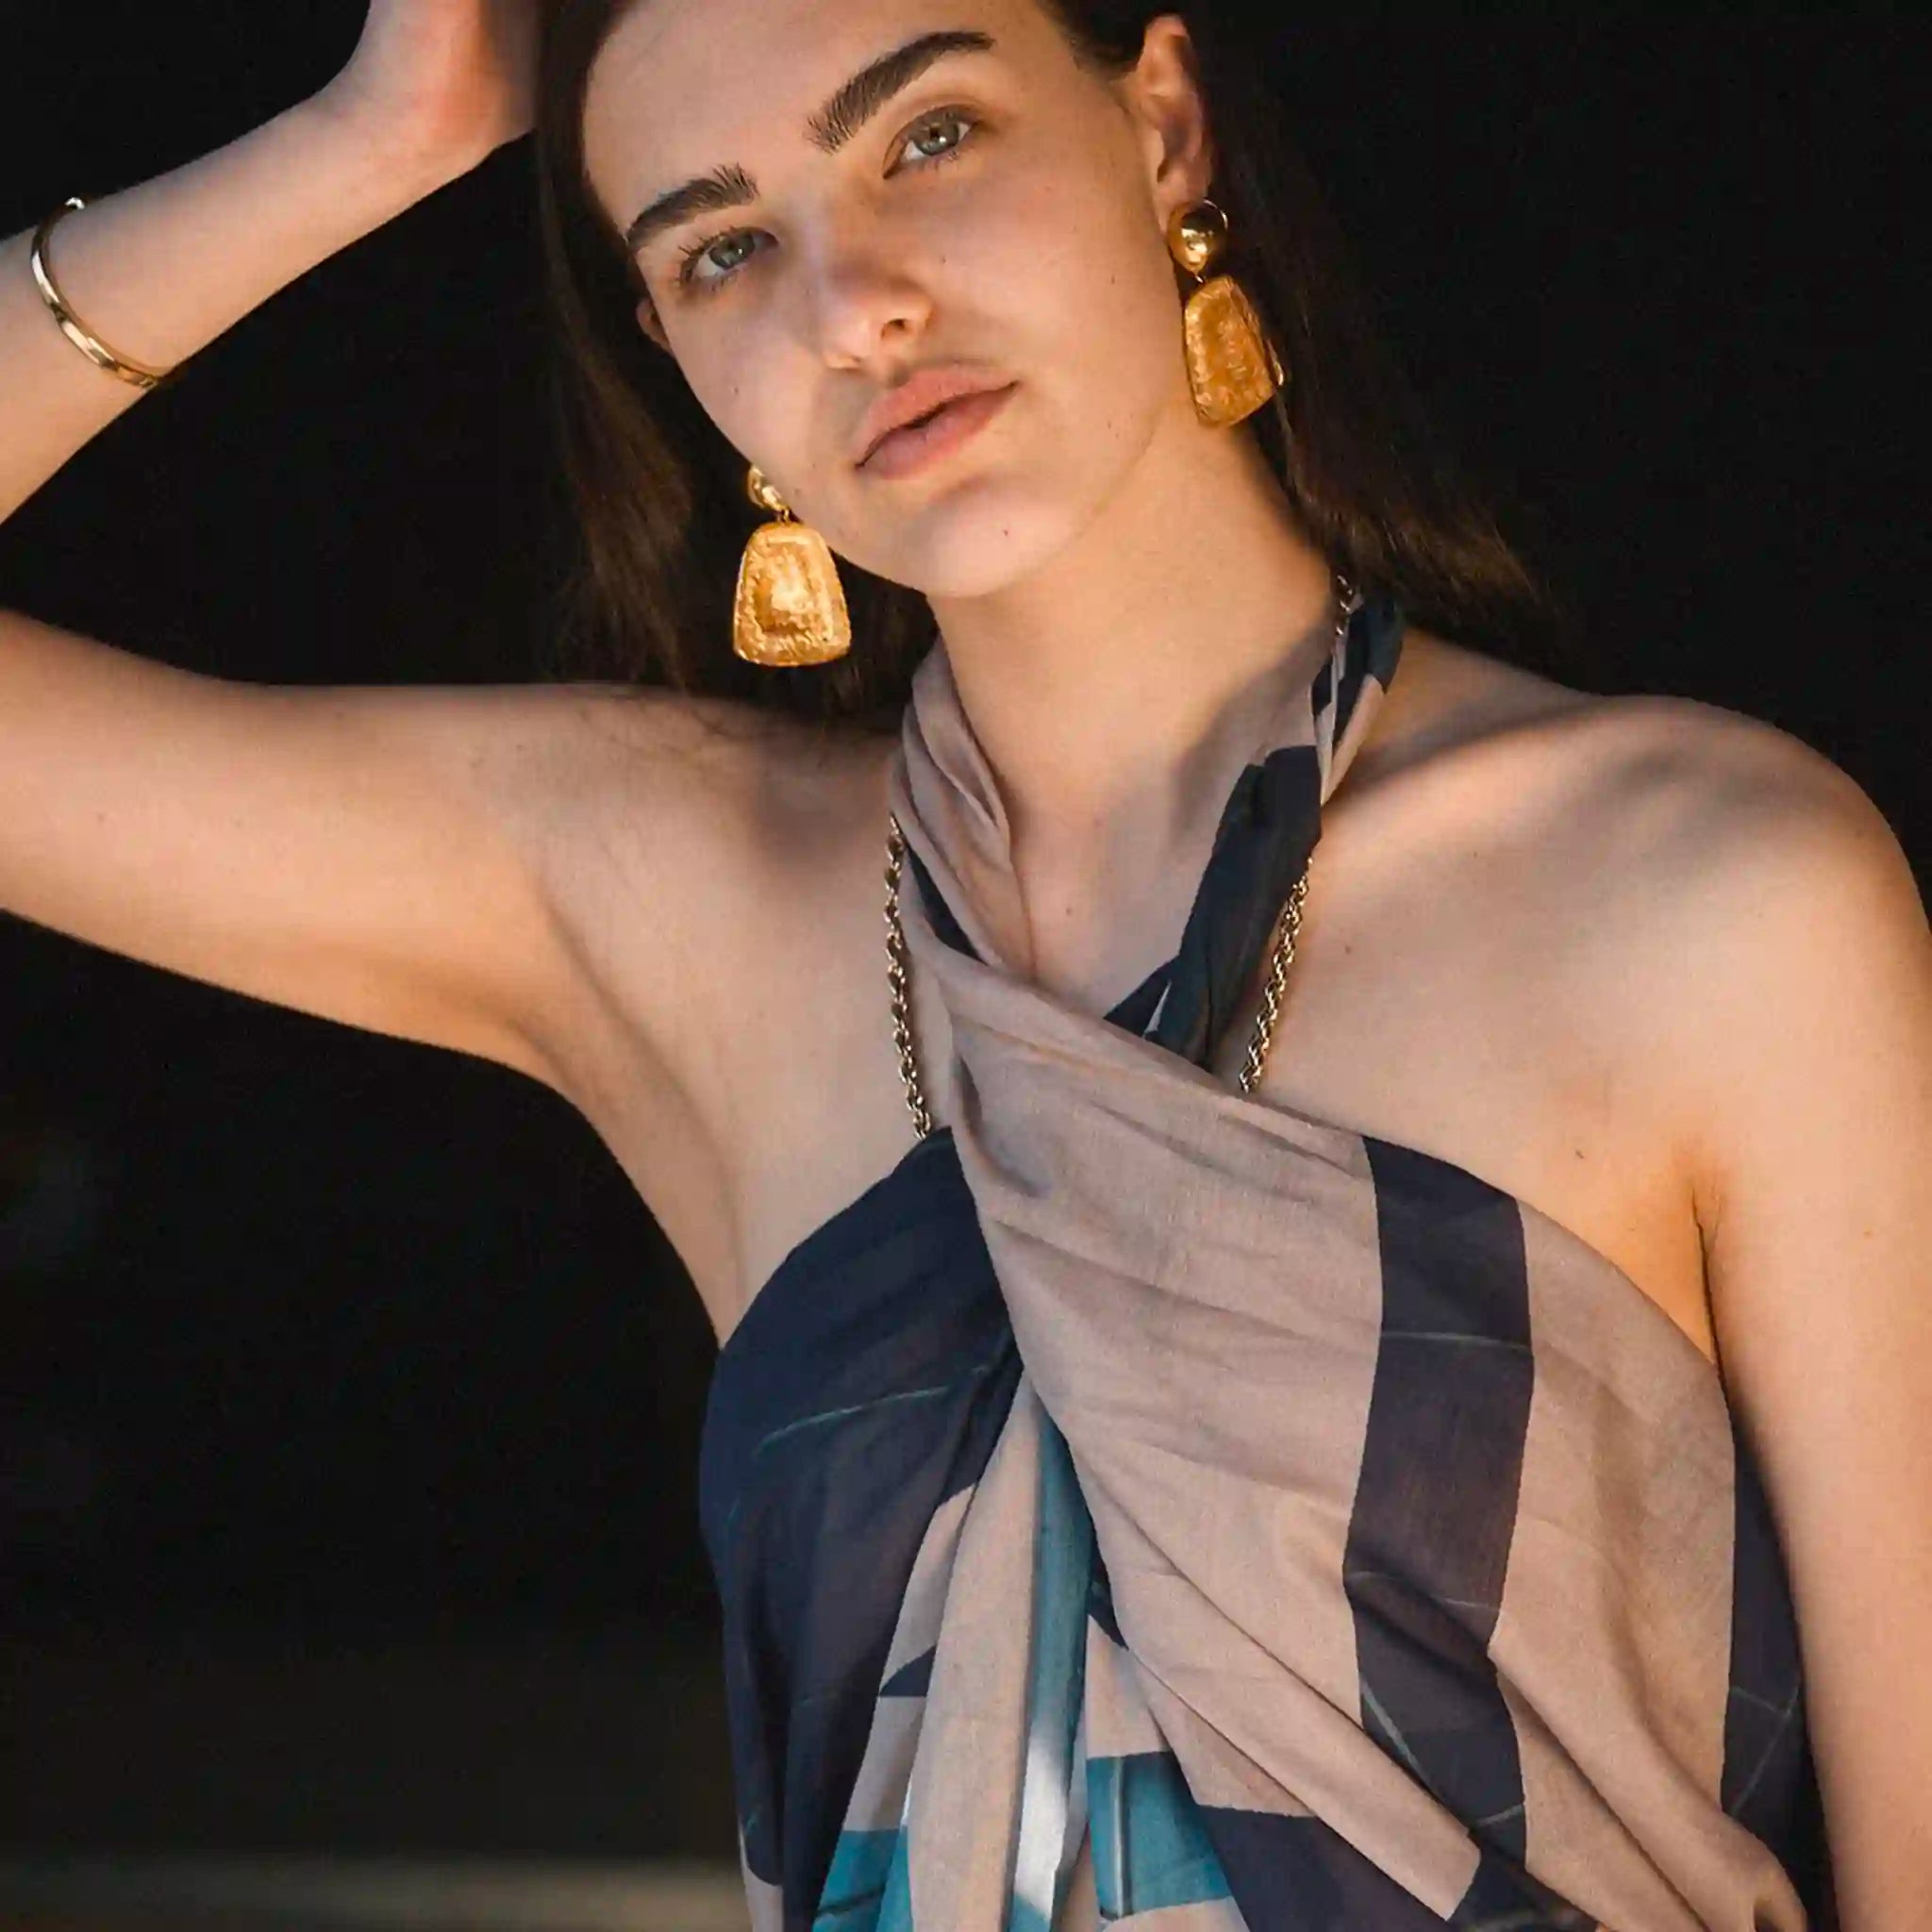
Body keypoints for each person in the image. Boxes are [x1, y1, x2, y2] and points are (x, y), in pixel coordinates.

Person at [2, 1, 1925, 1924]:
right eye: (721, 246)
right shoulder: (682, 905)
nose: (855, 305)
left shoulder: (1709, 899)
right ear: (674, 356)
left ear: (1160, 127)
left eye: (925, 138)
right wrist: (369, 134)